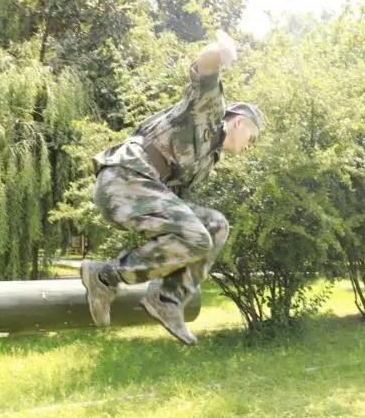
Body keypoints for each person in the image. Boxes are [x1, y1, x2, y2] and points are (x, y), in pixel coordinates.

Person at [80, 31, 262, 345]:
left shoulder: (208, 158)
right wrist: (219, 52)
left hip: (143, 189)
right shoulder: (209, 112)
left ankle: (167, 299)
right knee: (196, 236)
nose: (251, 146)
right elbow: (204, 70)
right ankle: (105, 276)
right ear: (238, 122)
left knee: (215, 225)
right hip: (123, 179)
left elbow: (175, 208)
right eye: (252, 138)